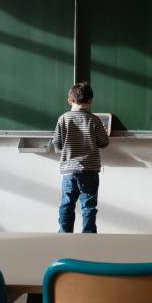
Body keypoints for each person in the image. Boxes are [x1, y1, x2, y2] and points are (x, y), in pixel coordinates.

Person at [52, 82, 109, 233]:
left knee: (67, 205)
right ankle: (88, 236)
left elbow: (57, 144)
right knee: (89, 206)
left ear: (69, 100)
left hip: (69, 171)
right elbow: (103, 143)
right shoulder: (95, 120)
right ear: (90, 101)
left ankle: (64, 234)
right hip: (90, 171)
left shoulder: (63, 119)